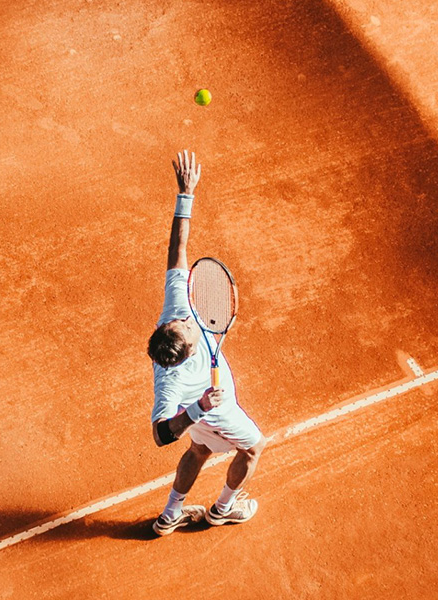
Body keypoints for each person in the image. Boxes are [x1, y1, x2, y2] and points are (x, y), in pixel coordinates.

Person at [147, 150, 268, 536]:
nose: (188, 318)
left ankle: (170, 515)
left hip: (202, 414)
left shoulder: (175, 311)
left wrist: (186, 193)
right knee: (253, 447)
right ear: (187, 353)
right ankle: (222, 509)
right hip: (214, 412)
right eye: (187, 327)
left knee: (199, 450)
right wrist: (199, 409)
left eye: (181, 321)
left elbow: (176, 252)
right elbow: (161, 434)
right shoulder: (171, 382)